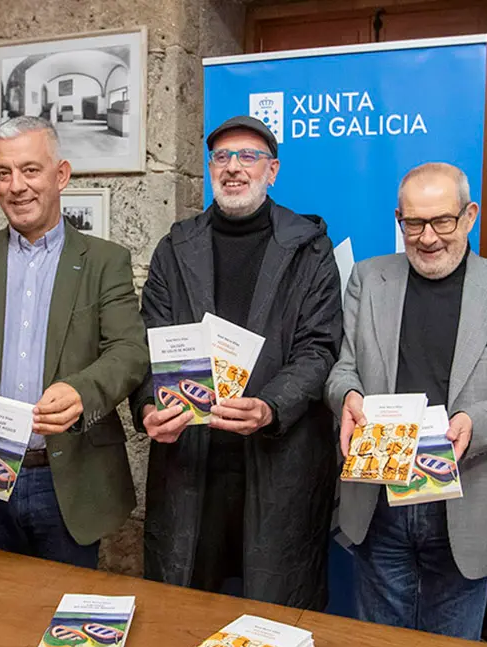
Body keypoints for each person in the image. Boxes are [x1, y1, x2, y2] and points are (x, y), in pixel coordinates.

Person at [324, 163, 487, 638]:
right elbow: (344, 366)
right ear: (399, 220)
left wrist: (476, 420)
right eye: (414, 224)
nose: (428, 238)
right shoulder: (368, 280)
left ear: (469, 216)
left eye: (442, 222)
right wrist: (345, 395)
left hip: (465, 500)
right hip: (380, 498)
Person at [134, 115, 343, 608]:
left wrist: (270, 406)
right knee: (179, 614)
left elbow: (320, 348)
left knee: (277, 621)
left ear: (272, 171)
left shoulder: (310, 249)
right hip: (191, 464)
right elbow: (147, 344)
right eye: (222, 158)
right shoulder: (174, 247)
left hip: (278, 463)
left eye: (248, 157)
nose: (233, 168)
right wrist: (147, 406)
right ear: (211, 169)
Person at [0, 116, 147, 569]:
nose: (16, 186)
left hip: (69, 478)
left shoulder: (105, 261)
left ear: (60, 175)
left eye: (30, 170)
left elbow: (129, 352)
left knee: (65, 622)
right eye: (3, 173)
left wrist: (83, 391)